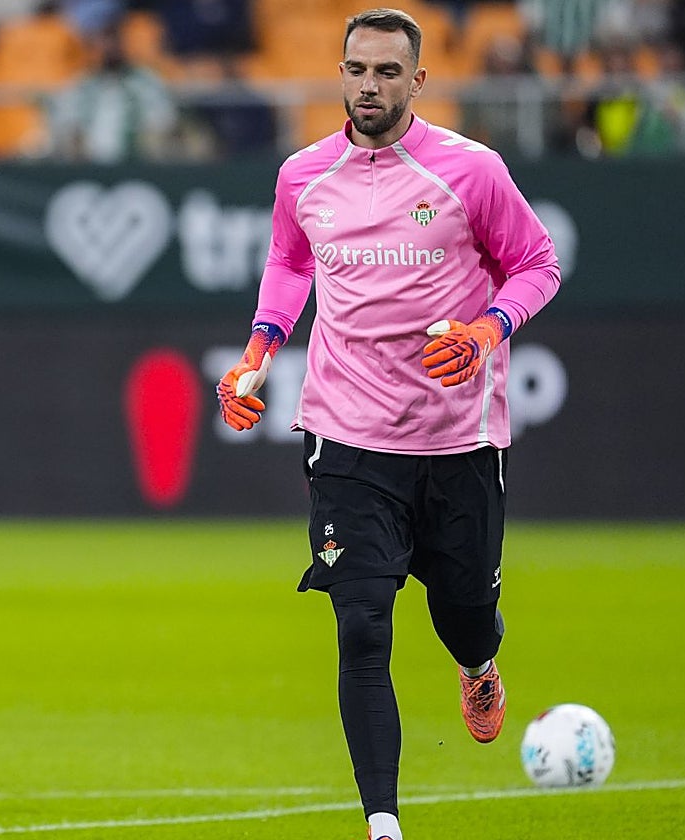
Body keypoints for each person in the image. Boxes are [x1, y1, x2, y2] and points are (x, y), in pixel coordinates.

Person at [215, 8, 561, 840]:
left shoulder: (470, 171)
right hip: (347, 436)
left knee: (463, 615)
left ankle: (478, 661)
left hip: (455, 439)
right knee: (362, 623)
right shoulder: (303, 175)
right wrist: (259, 349)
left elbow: (537, 262)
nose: (369, 85)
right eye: (356, 69)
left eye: (386, 72)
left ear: (417, 80)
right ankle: (383, 823)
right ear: (340, 74)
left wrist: (489, 330)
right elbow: (292, 259)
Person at [44, 17, 178, 163]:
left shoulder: (145, 81)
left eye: (116, 40)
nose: (112, 47)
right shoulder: (83, 84)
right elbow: (65, 120)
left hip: (135, 163)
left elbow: (163, 120)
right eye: (106, 41)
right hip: (89, 165)